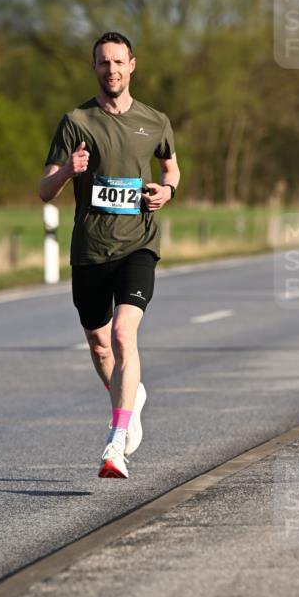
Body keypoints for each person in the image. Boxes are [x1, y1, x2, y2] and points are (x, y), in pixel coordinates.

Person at [39, 31, 181, 477]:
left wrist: (168, 190)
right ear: (94, 67)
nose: (111, 70)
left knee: (123, 335)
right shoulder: (76, 122)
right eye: (103, 63)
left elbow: (171, 166)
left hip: (138, 243)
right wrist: (67, 170)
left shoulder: (155, 121)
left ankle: (117, 441)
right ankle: (129, 398)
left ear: (132, 65)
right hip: (90, 250)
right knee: (101, 347)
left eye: (118, 62)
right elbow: (45, 191)